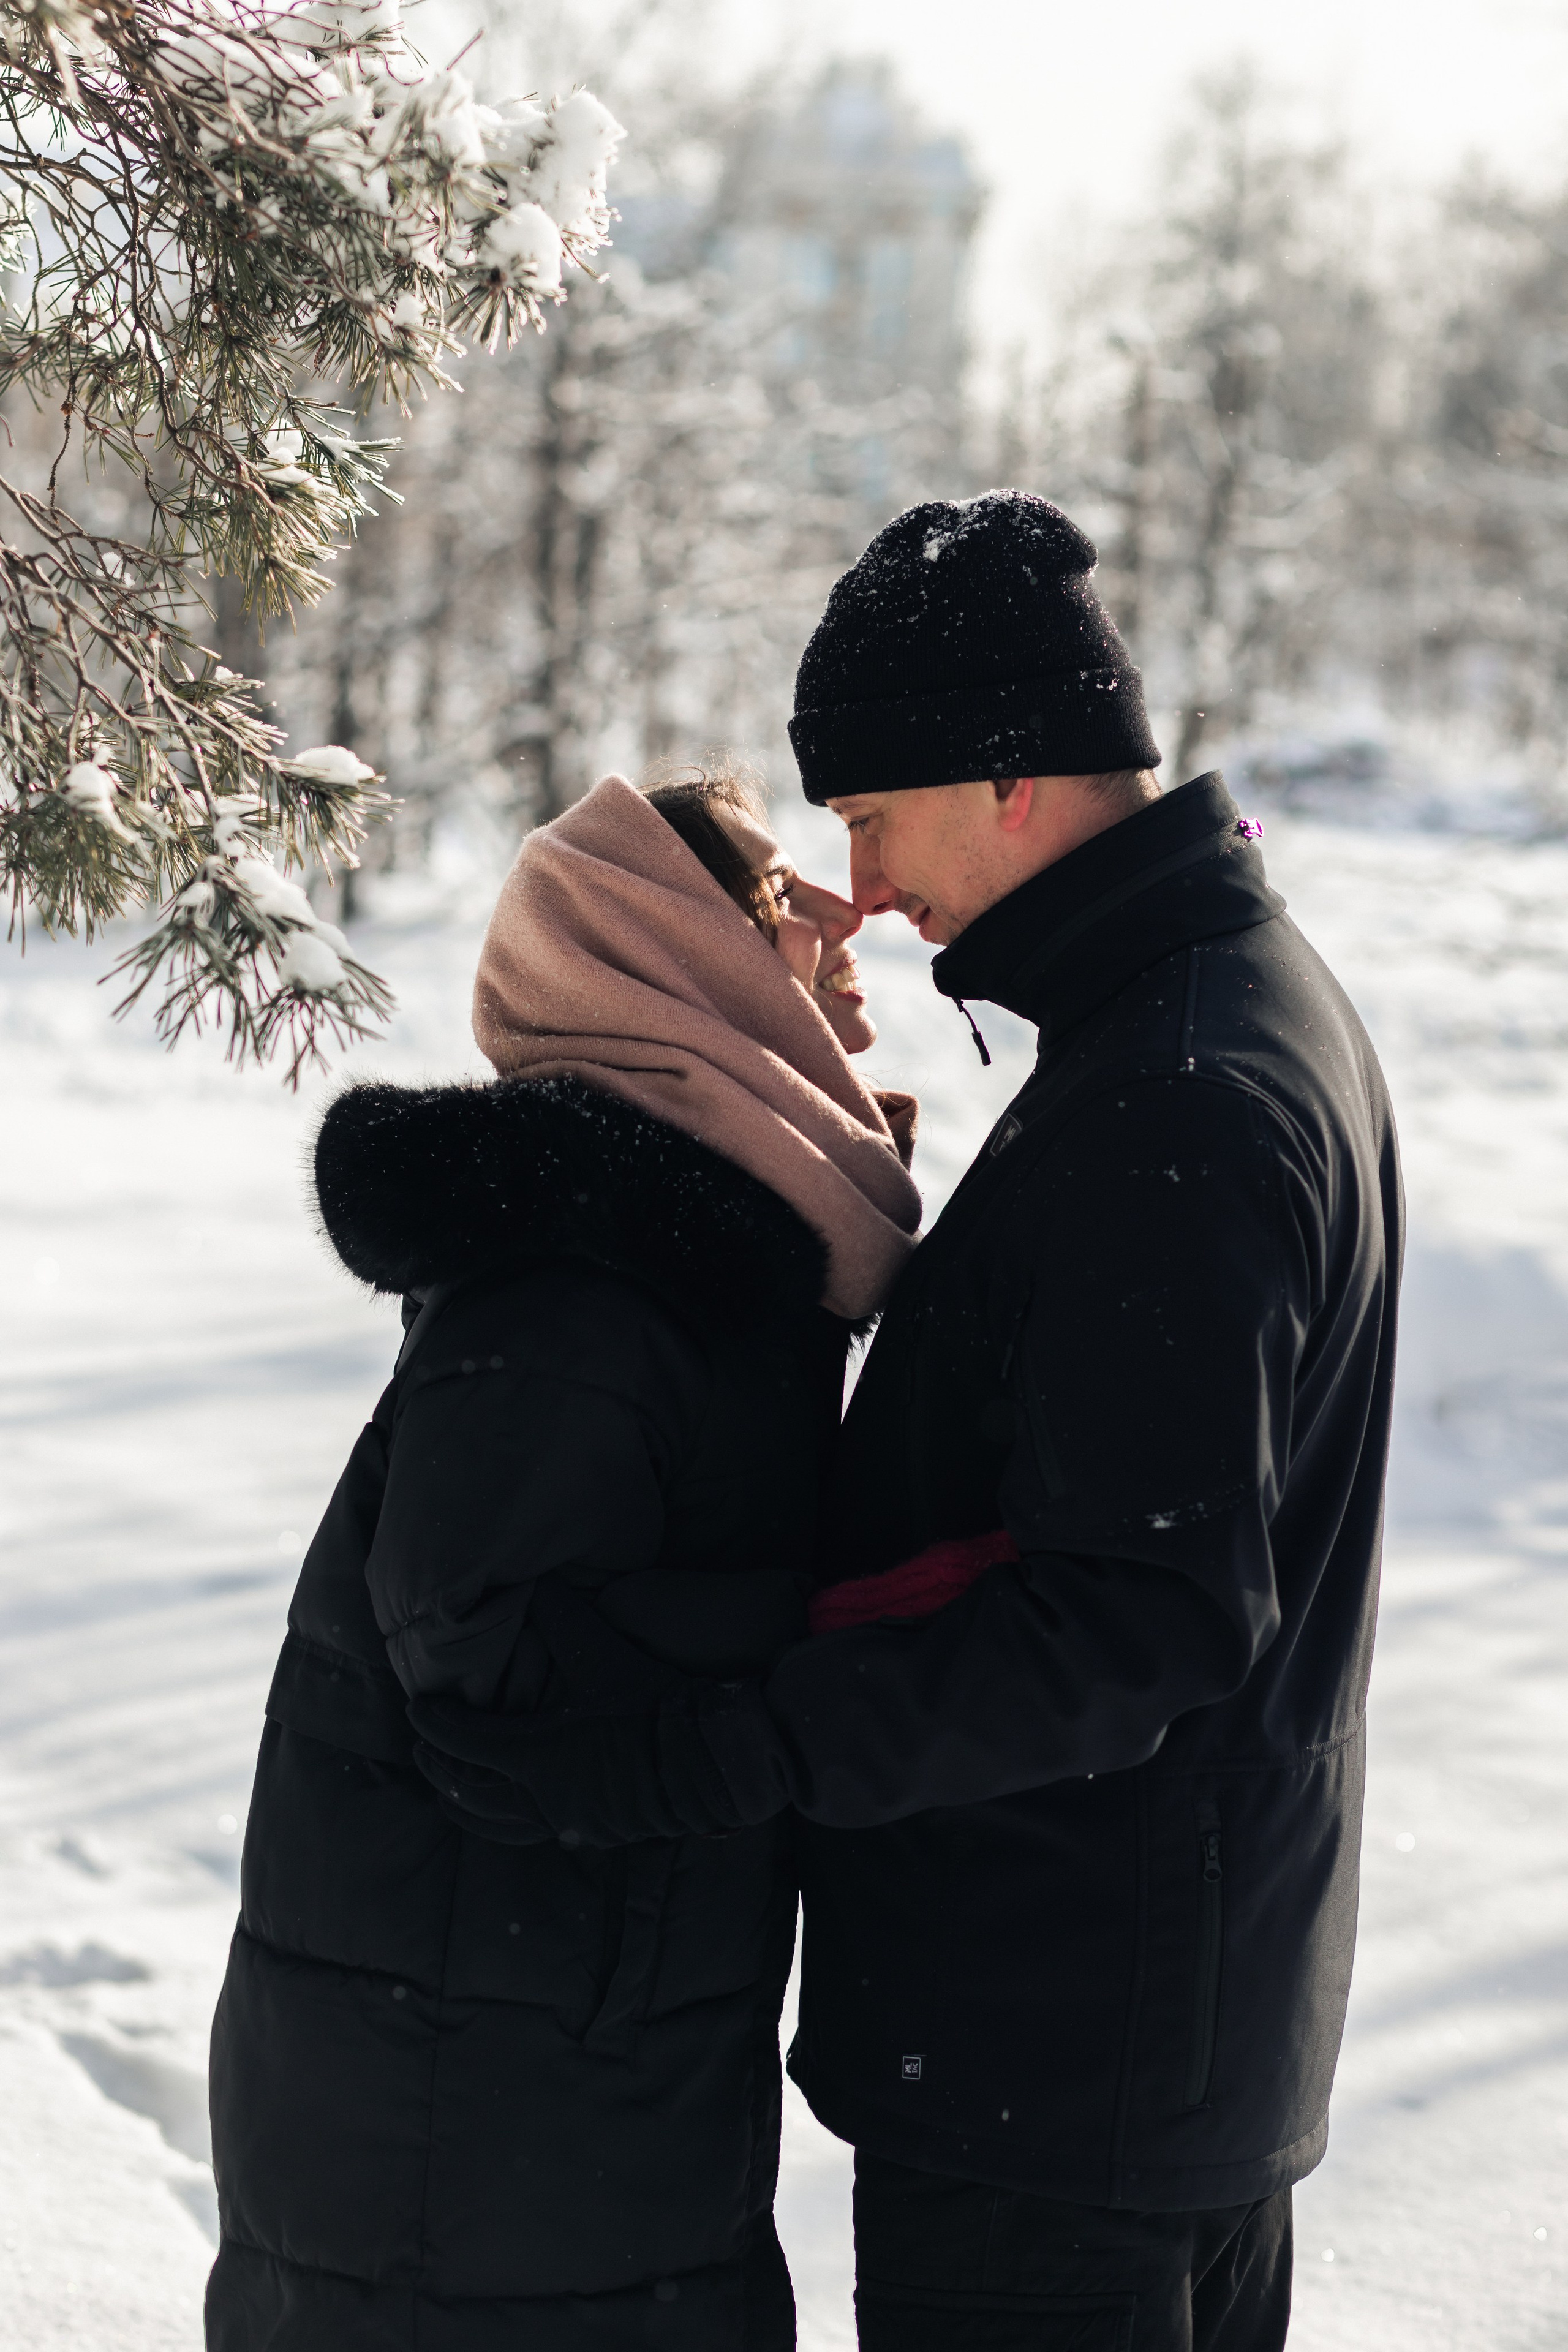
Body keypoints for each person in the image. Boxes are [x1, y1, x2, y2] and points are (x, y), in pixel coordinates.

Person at [418, 494, 1404, 2352]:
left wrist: (698, 1753)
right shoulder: (1209, 1022)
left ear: (1013, 779)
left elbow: (1136, 1621)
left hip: (1062, 2078)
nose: (860, 886)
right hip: (1136, 2043)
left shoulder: (1175, 1097)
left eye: (872, 817)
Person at [204, 766, 922, 2351]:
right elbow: (487, 1661)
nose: (838, 910)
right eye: (778, 893)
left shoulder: (693, 1249)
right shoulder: (583, 1280)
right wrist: (829, 1664)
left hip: (554, 2088)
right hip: (471, 2140)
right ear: (685, 953)